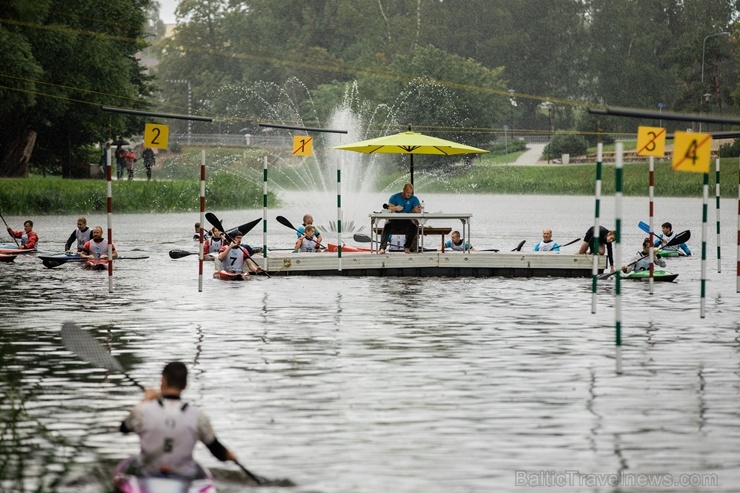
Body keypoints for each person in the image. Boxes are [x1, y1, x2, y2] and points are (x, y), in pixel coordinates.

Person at [119, 361, 238, 478]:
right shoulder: (198, 416)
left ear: (162, 381)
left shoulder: (143, 410)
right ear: (185, 385)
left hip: (148, 473)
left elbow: (124, 428)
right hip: (183, 475)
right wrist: (229, 455)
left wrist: (145, 400)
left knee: (129, 462)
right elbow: (217, 452)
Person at [378, 183, 422, 254]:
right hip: (394, 220)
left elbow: (417, 209)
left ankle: (407, 246)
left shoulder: (414, 199)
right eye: (407, 192)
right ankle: (382, 248)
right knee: (386, 226)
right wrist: (396, 208)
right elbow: (388, 209)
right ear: (403, 190)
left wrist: (416, 210)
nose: (409, 195)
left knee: (414, 227)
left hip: (406, 220)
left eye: (411, 193)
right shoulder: (394, 197)